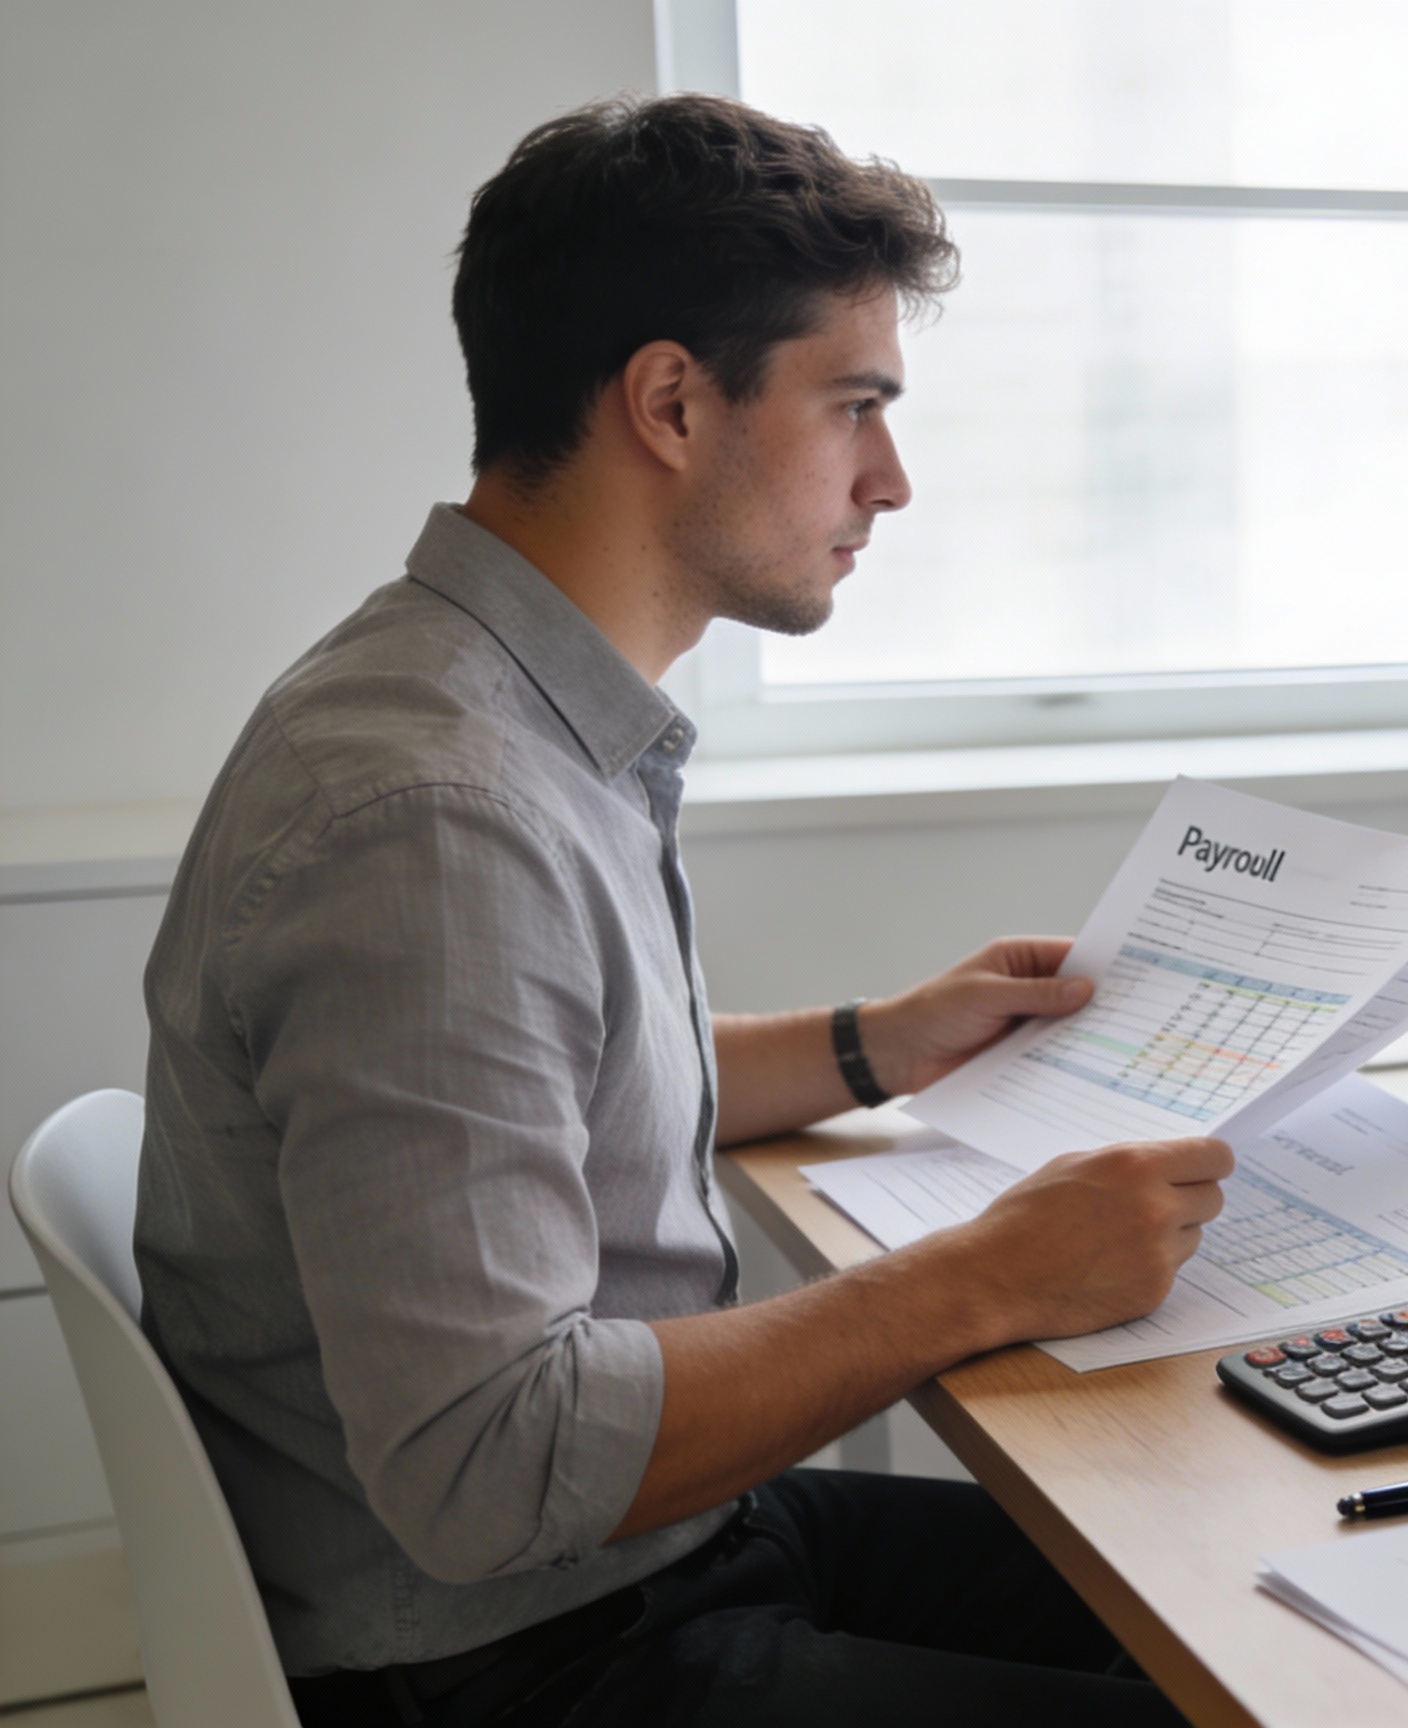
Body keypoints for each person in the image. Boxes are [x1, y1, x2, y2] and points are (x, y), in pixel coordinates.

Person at [135, 93, 1231, 1727]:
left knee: (1224, 1595)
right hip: (519, 1653)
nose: (891, 481)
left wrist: (875, 1043)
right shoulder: (434, 816)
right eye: (854, 406)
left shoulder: (479, 706)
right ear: (668, 404)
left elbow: (541, 1080)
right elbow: (489, 1464)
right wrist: (985, 1277)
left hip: (640, 1555)